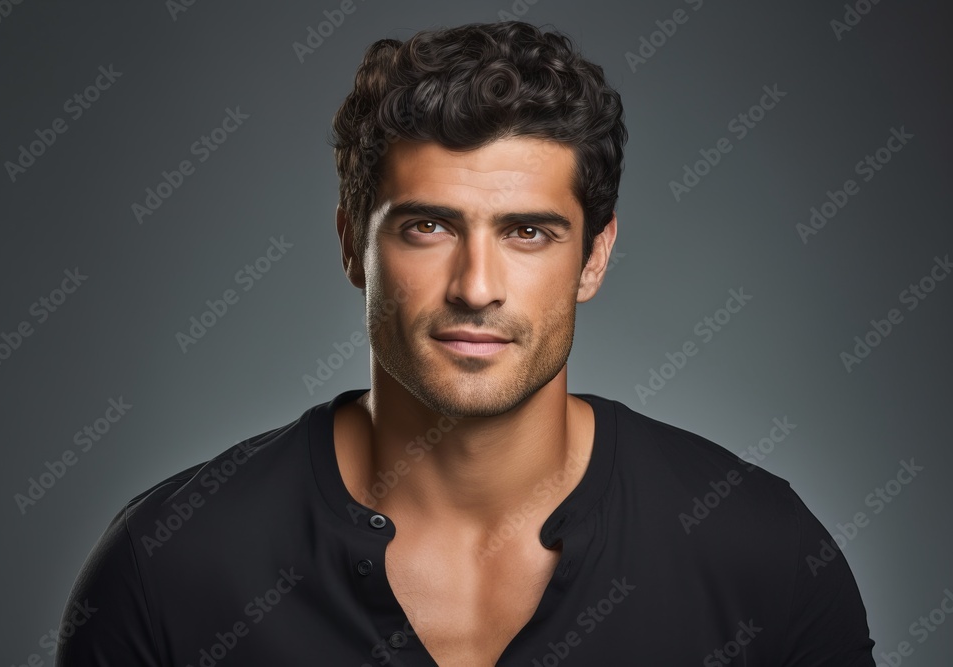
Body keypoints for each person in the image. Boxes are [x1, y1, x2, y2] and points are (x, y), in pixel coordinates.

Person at [56, 20, 875, 666]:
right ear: (352, 245)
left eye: (527, 231)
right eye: (427, 225)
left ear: (593, 257)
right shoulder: (171, 564)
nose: (475, 284)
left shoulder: (764, 555)